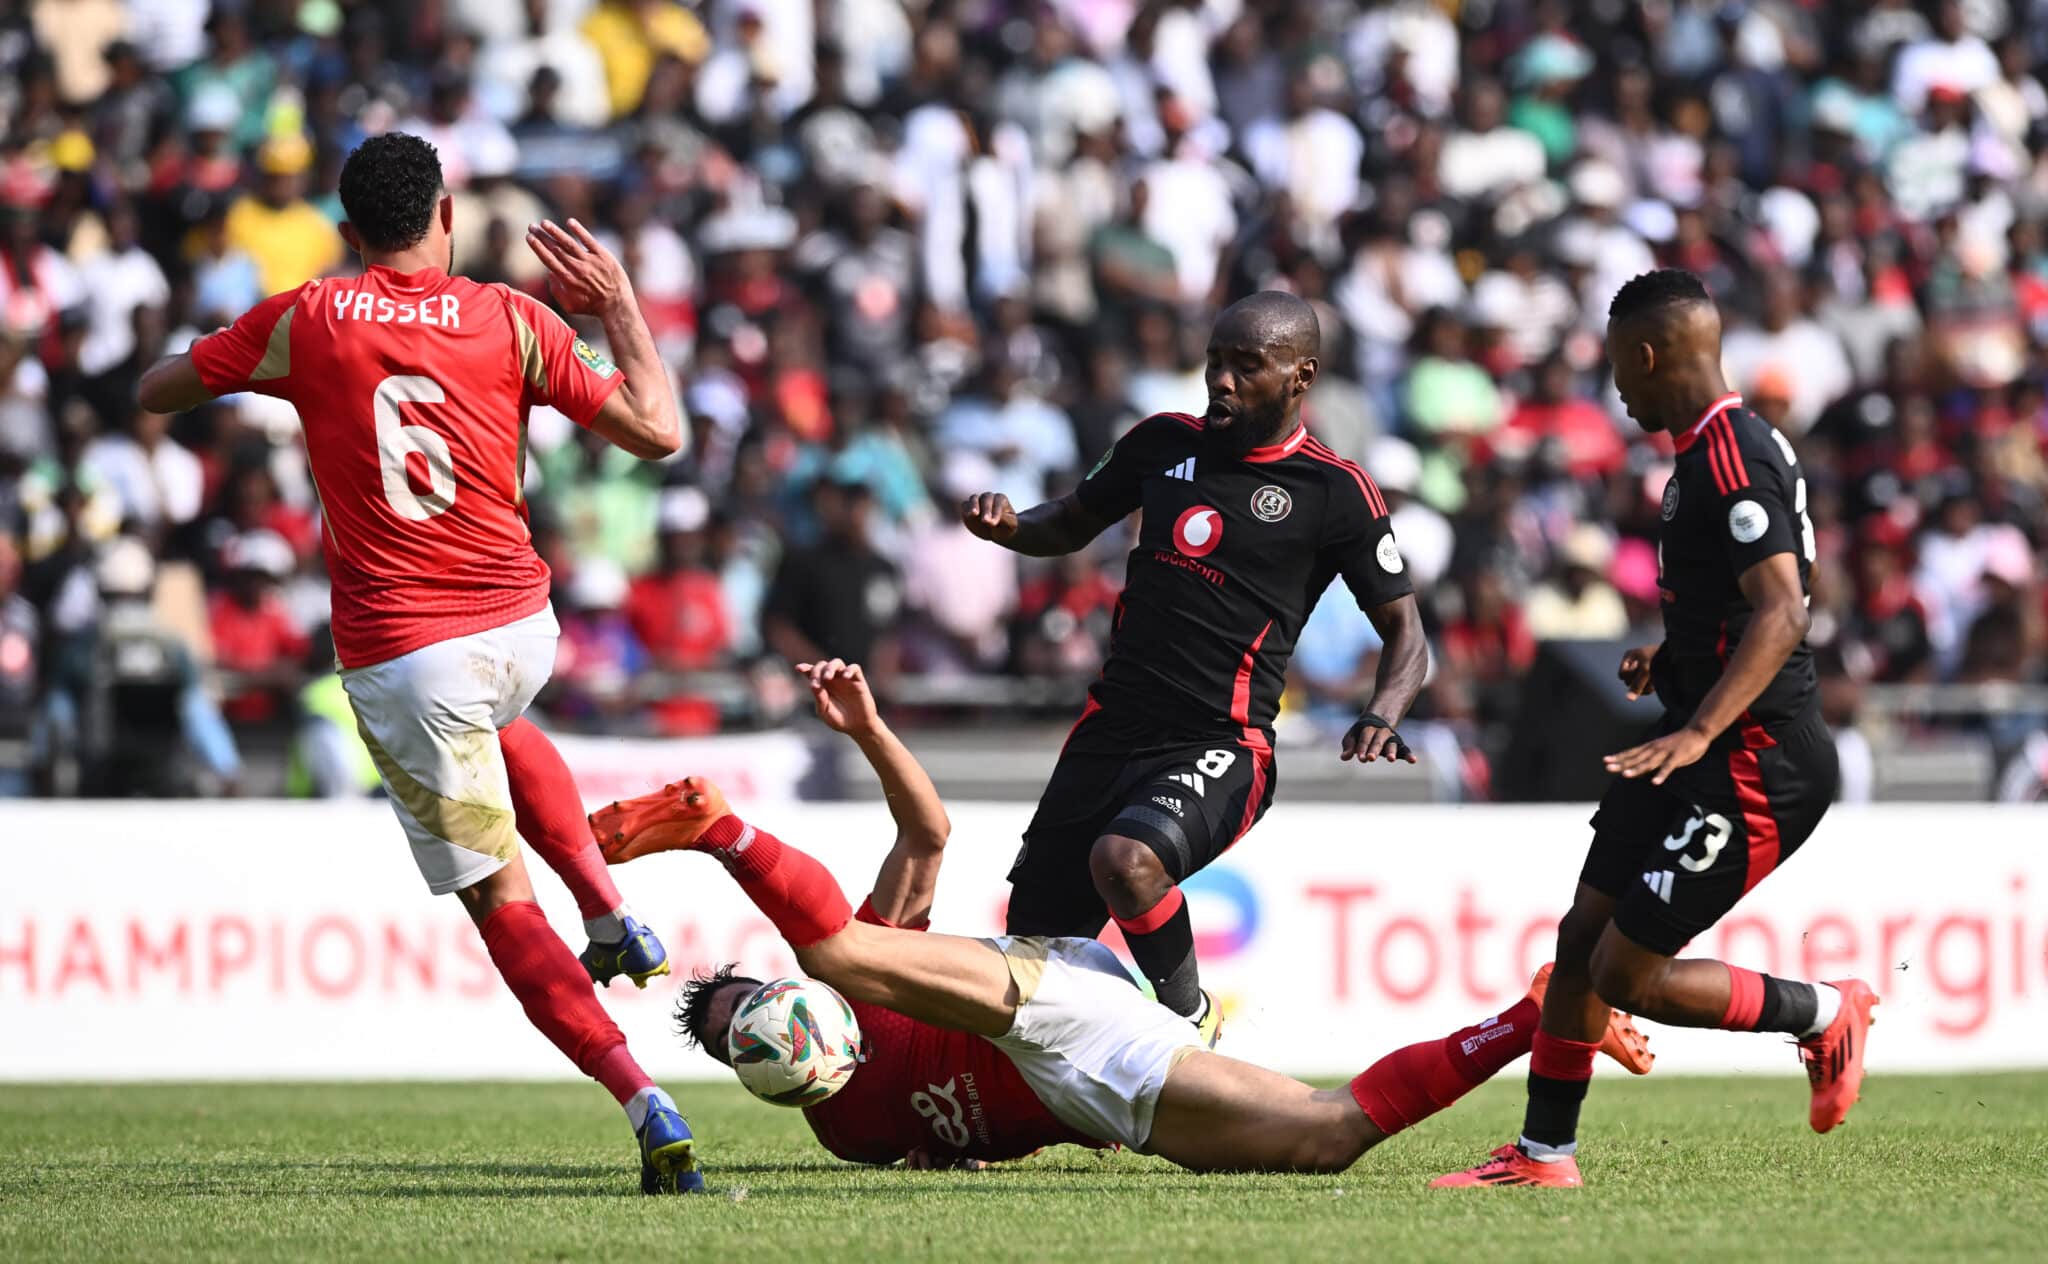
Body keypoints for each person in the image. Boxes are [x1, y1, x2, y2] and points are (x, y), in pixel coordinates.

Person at [134, 133, 704, 1195]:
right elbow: (659, 432)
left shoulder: (308, 318)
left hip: (408, 652)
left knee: (498, 901)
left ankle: (644, 1101)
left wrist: (232, 363)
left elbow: (163, 390)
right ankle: (610, 914)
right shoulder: (514, 316)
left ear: (350, 233)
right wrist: (619, 303)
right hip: (522, 629)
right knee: (499, 725)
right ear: (443, 215)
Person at [595, 658, 1650, 1171]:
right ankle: (1543, 1015)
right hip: (1097, 1090)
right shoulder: (843, 1129)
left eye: (752, 998)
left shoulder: (846, 984)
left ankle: (714, 825)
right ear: (757, 1072)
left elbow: (924, 838)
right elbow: (958, 1150)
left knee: (847, 951)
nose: (760, 1020)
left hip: (1046, 1006)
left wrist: (870, 729)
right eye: (744, 1035)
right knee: (1325, 1138)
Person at [1433, 269, 1878, 1191]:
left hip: (1755, 759)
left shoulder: (1731, 456)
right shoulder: (1708, 457)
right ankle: (1545, 1155)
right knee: (1578, 938)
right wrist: (1672, 665)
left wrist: (1702, 725)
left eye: (1617, 367)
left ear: (1645, 354)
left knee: (1626, 974)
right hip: (1695, 728)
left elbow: (1786, 612)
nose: (1616, 389)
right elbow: (1761, 600)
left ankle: (1824, 1008)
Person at [958, 291, 1429, 1037]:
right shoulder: (1159, 442)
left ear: (1300, 377)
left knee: (1126, 861)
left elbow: (1407, 631)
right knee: (1034, 954)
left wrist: (1383, 712)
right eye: (1215, 362)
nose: (1223, 381)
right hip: (1109, 730)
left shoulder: (1334, 490)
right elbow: (1072, 520)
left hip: (1221, 740)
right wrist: (1012, 525)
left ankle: (1189, 1023)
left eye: (1248, 366)